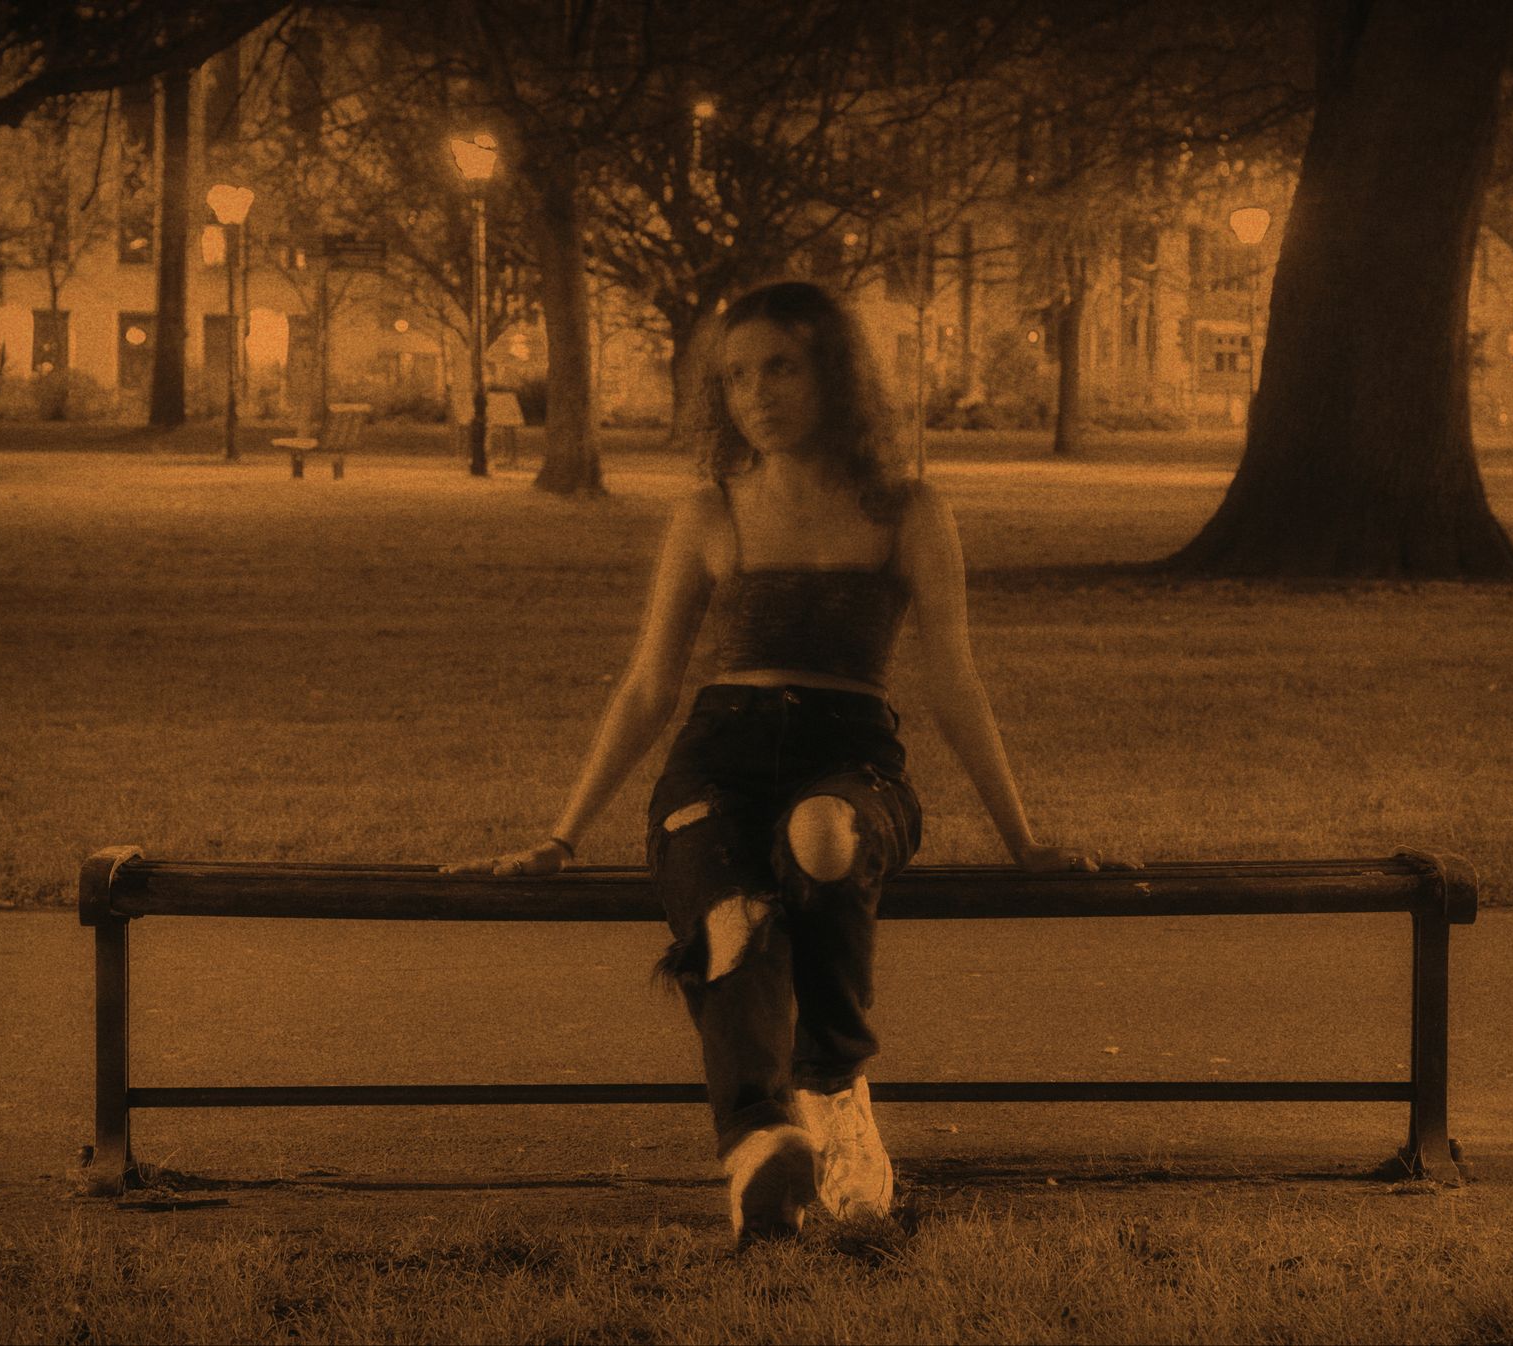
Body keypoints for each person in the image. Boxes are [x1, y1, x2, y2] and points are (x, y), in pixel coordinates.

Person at [449, 280, 1126, 1246]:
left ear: (835, 376)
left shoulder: (906, 509)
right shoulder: (710, 512)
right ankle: (761, 1144)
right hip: (716, 762)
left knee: (821, 836)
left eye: (781, 368)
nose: (756, 395)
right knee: (731, 918)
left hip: (852, 761)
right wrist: (561, 836)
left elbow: (955, 681)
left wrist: (1025, 842)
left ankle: (833, 1096)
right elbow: (647, 687)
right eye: (734, 377)